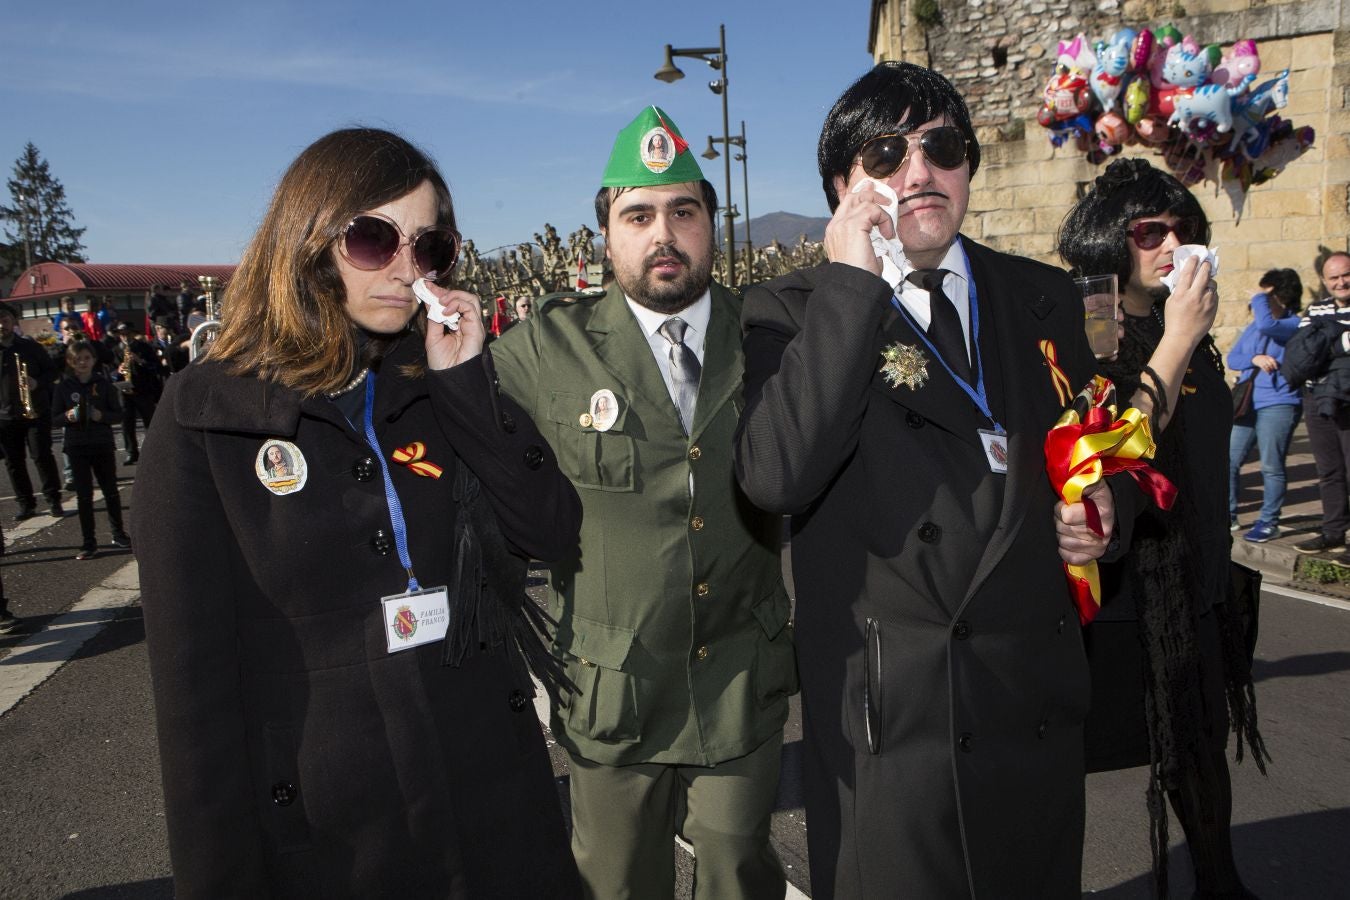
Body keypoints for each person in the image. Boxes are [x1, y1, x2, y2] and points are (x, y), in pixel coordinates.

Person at [133, 127, 582, 899]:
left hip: (493, 800)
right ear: (307, 244)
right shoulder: (207, 416)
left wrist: (469, 389)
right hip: (333, 838)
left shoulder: (435, 380)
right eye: (375, 239)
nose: (408, 269)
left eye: (430, 246)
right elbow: (192, 697)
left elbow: (550, 532)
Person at [734, 62, 1123, 898]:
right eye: (884, 154)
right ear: (844, 187)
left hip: (1034, 701)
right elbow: (775, 476)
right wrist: (850, 287)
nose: (919, 172)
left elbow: (1092, 448)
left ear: (968, 168)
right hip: (901, 721)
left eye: (942, 147)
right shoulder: (791, 311)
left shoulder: (1045, 297)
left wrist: (1098, 510)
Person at [491, 106, 796, 900]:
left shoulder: (766, 334)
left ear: (709, 226)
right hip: (611, 694)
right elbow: (443, 411)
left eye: (683, 211)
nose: (663, 234)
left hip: (737, 680)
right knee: (617, 886)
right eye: (639, 215)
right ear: (607, 237)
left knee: (739, 871)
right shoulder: (545, 347)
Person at [1058, 156, 1267, 899]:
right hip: (1111, 595)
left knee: (1199, 745)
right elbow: (1114, 444)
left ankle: (1220, 882)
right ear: (1114, 239)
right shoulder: (1092, 326)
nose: (1170, 242)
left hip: (1192, 580)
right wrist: (1176, 339)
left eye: (1184, 228)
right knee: (1067, 765)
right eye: (1150, 229)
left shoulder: (1198, 333)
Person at [1227, 268, 1303, 540]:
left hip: (1279, 402)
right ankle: (1230, 516)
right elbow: (1233, 359)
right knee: (1229, 460)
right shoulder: (1254, 327)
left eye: (1264, 293)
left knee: (1271, 465)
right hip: (1247, 402)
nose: (1257, 299)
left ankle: (1269, 521)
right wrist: (1255, 359)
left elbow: (1267, 326)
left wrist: (1260, 298)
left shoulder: (1294, 324)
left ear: (1278, 294)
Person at [1288, 250, 1350, 558]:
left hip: (1347, 401)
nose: (1341, 282)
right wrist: (1341, 345)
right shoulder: (1316, 309)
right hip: (1316, 399)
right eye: (1334, 277)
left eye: (1346, 275)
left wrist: (1325, 346)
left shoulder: (1319, 317)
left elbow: (1314, 349)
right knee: (1329, 471)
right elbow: (1300, 352)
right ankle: (1333, 532)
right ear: (1324, 281)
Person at [52, 339, 130, 560]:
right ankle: (88, 542)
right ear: (70, 362)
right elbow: (54, 419)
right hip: (76, 446)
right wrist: (67, 416)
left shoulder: (104, 384)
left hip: (101, 443)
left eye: (86, 358)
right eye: (78, 360)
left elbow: (119, 414)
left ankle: (119, 533)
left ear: (94, 360)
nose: (83, 363)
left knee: (111, 491)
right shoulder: (63, 387)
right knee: (84, 496)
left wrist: (101, 416)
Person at [0, 303, 64, 520]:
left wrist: (37, 382)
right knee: (13, 462)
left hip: (35, 411)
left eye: (5, 320)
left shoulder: (30, 347)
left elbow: (52, 371)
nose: (1, 325)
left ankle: (53, 499)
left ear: (13, 322)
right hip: (5, 416)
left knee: (41, 456)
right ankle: (26, 503)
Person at [108, 322, 161, 464]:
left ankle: (153, 450)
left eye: (127, 334)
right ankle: (131, 452)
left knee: (148, 421)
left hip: (142, 389)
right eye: (121, 335)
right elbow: (110, 372)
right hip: (124, 391)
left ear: (132, 333)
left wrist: (140, 360)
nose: (124, 337)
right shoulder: (115, 350)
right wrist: (117, 371)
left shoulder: (144, 347)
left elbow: (155, 367)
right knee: (126, 423)